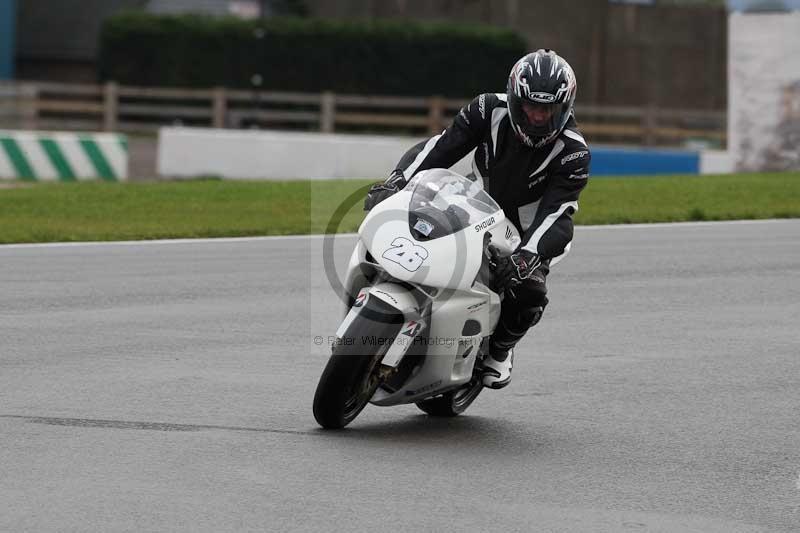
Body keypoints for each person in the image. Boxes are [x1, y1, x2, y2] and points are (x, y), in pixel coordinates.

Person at [363, 49, 591, 389]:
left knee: (528, 290)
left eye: (546, 110)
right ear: (515, 99)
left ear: (564, 108)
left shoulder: (574, 152)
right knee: (415, 225)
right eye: (530, 106)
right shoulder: (486, 109)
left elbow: (557, 212)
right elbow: (441, 147)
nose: (537, 118)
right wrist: (397, 181)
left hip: (528, 233)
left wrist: (528, 256)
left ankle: (501, 349)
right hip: (476, 205)